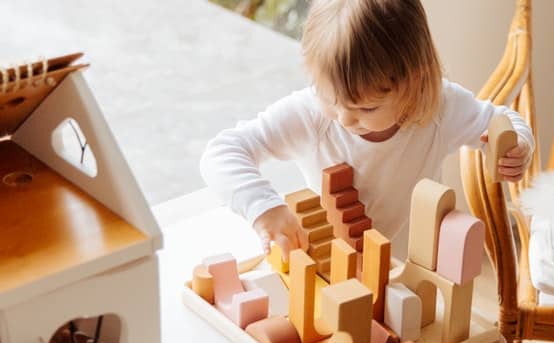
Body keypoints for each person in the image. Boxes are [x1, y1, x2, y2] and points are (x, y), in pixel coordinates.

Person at [200, 0, 534, 261]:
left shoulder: (440, 109)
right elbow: (221, 152)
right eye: (333, 100)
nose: (344, 119)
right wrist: (265, 209)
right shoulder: (312, 114)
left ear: (413, 81)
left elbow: (503, 121)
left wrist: (515, 146)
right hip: (328, 270)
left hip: (408, 273)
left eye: (366, 108)